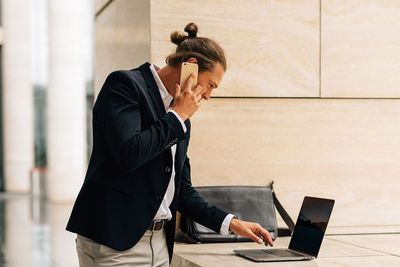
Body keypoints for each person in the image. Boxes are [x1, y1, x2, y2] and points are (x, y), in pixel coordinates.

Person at [66, 22, 273, 267]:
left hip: (161, 245)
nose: (207, 95)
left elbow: (182, 190)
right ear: (191, 66)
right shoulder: (125, 86)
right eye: (211, 85)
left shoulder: (181, 117)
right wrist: (176, 116)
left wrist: (233, 223)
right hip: (116, 245)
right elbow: (129, 153)